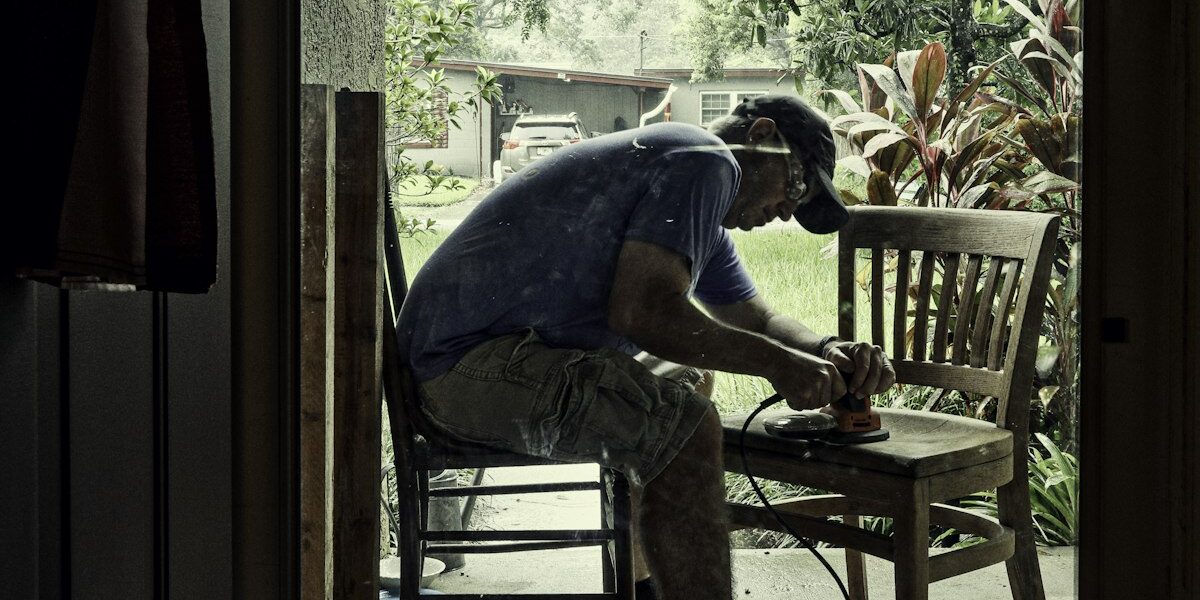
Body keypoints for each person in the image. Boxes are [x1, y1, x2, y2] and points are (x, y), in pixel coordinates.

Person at [396, 95, 896, 600]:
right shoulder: (706, 160)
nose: (790, 209)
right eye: (796, 184)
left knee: (686, 381)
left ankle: (647, 589)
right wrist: (777, 365)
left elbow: (756, 317)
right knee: (687, 430)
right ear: (761, 135)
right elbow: (644, 314)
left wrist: (826, 349)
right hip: (461, 369)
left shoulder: (693, 189)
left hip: (478, 358)